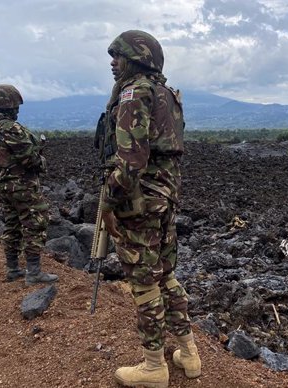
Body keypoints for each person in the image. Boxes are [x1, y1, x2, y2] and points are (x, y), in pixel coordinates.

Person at [101, 30, 201, 387]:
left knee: (144, 283)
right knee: (166, 274)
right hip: (166, 199)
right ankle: (189, 354)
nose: (113, 63)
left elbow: (130, 162)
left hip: (139, 201)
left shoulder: (133, 93)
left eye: (118, 56)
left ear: (137, 59)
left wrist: (109, 202)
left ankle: (153, 366)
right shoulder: (167, 95)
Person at [0, 84, 58, 285]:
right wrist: (41, 160)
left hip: (3, 183)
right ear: (10, 105)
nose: (17, 110)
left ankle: (13, 269)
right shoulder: (10, 128)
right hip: (21, 184)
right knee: (35, 222)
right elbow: (28, 159)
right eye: (16, 106)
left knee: (13, 224)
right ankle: (33, 272)